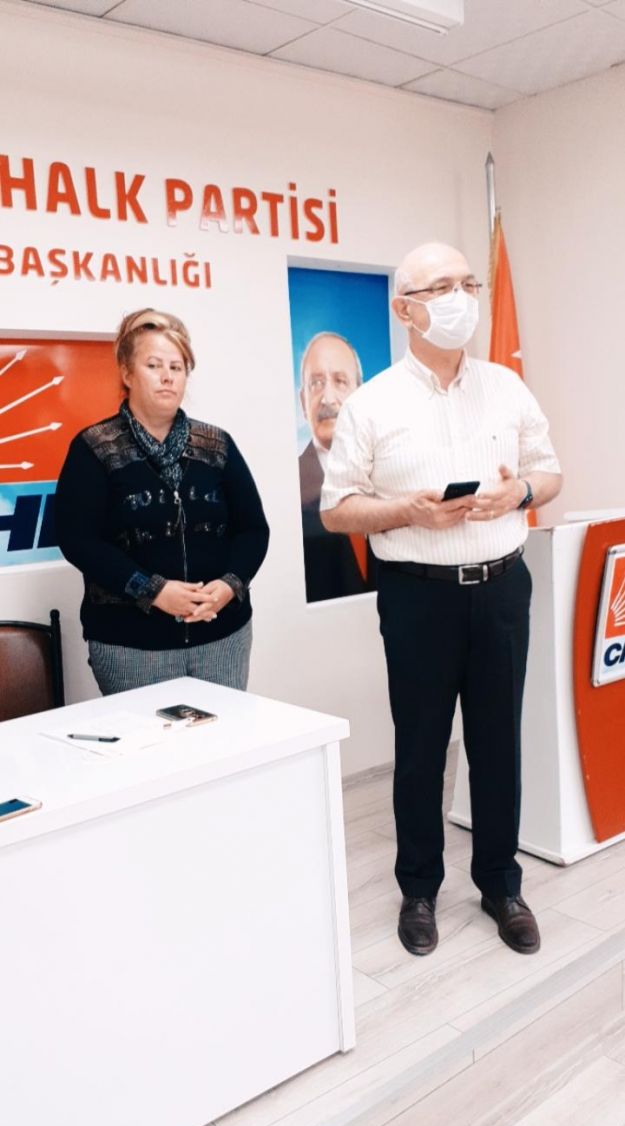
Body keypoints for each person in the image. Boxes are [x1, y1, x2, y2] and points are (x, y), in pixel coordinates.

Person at [320, 242, 562, 957]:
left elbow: (549, 474)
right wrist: (407, 511)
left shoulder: (507, 387)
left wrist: (519, 492)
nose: (461, 298)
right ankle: (419, 890)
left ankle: (501, 884)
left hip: (501, 588)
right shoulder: (371, 404)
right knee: (421, 748)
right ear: (405, 310)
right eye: (442, 287)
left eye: (468, 283)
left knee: (498, 745)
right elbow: (336, 510)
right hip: (417, 597)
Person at [55, 308, 269, 695]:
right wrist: (152, 591)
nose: (167, 376)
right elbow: (78, 540)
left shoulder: (217, 445)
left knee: (226, 734)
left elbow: (253, 530)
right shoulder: (94, 448)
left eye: (177, 367)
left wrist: (229, 585)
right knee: (145, 737)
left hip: (221, 637)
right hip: (131, 647)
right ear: (127, 373)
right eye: (153, 365)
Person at [298, 331, 374, 602]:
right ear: (303, 401)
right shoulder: (292, 485)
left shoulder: (388, 473)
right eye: (316, 383)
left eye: (340, 381)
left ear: (360, 394)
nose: (327, 397)